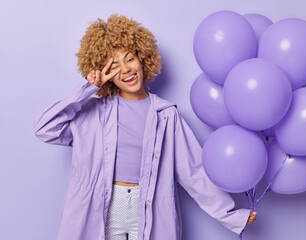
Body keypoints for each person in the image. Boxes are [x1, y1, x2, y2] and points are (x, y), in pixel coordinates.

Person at [33, 14, 256, 240]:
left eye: (129, 59)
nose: (125, 70)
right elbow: (45, 128)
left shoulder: (167, 115)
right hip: (105, 206)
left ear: (143, 57)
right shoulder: (93, 113)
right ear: (105, 72)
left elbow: (194, 171)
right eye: (114, 65)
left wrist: (231, 215)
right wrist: (87, 88)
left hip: (151, 206)